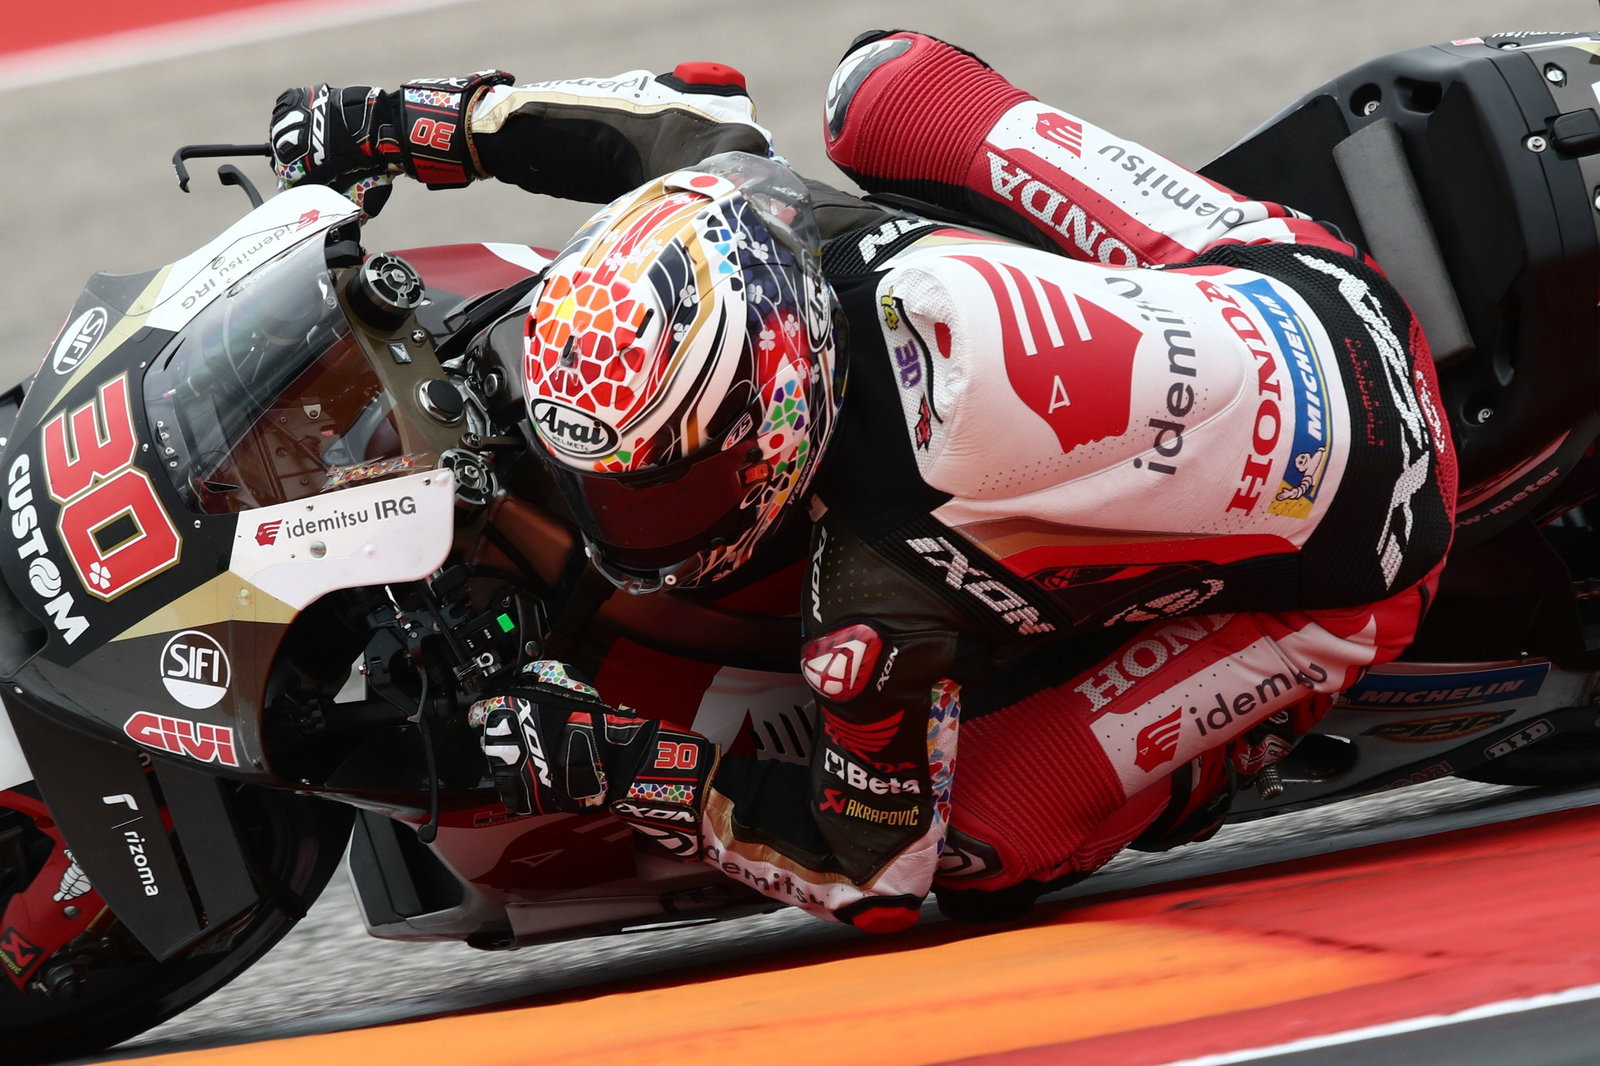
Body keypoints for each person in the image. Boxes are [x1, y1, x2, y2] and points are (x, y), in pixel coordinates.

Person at [271, 30, 1457, 931]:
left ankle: (1224, 761)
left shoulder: (872, 602)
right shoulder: (767, 223)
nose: (617, 518)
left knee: (976, 850)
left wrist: (617, 760)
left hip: (1362, 555)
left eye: (660, 488)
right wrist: (395, 122)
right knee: (882, 82)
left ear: (773, 425)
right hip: (1296, 277)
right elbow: (682, 111)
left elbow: (864, 866)